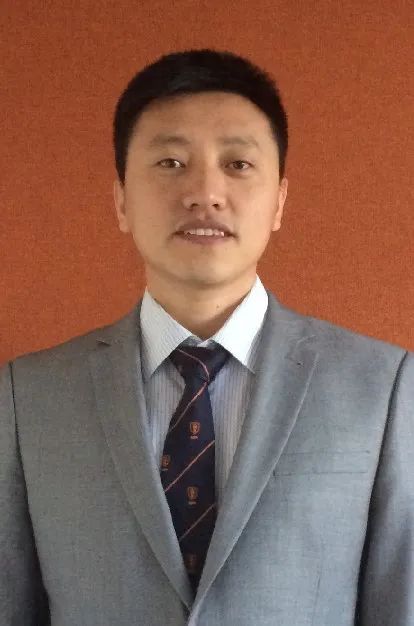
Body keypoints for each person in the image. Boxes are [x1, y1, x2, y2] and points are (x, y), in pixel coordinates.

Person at [0, 48, 413, 626]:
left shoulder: (382, 388)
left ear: (279, 201)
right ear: (121, 200)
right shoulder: (29, 397)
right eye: (170, 162)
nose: (204, 193)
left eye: (238, 164)